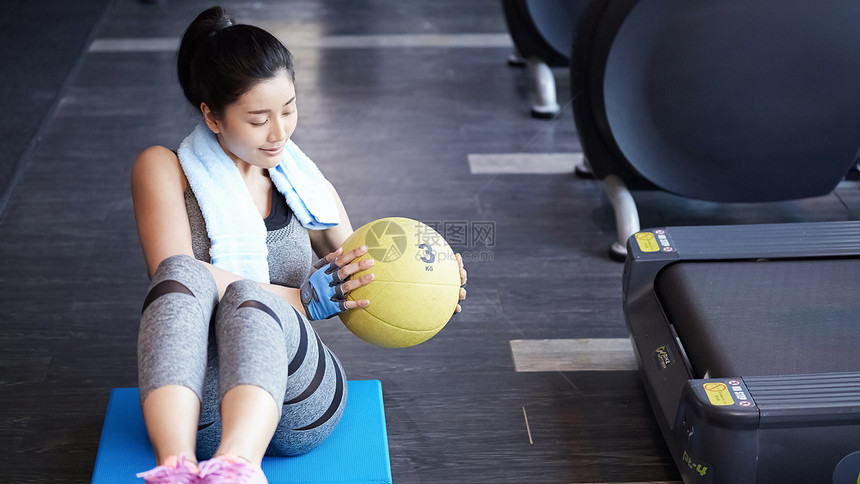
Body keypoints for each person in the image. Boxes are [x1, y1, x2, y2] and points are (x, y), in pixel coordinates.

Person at [130, 6, 467, 483]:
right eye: (258, 118)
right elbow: (175, 278)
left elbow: (365, 278)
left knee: (249, 295)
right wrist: (303, 298)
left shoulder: (303, 182)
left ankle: (238, 468)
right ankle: (175, 468)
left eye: (288, 109)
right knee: (184, 273)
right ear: (212, 116)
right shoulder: (164, 169)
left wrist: (429, 282)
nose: (279, 133)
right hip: (200, 402)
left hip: (298, 400)